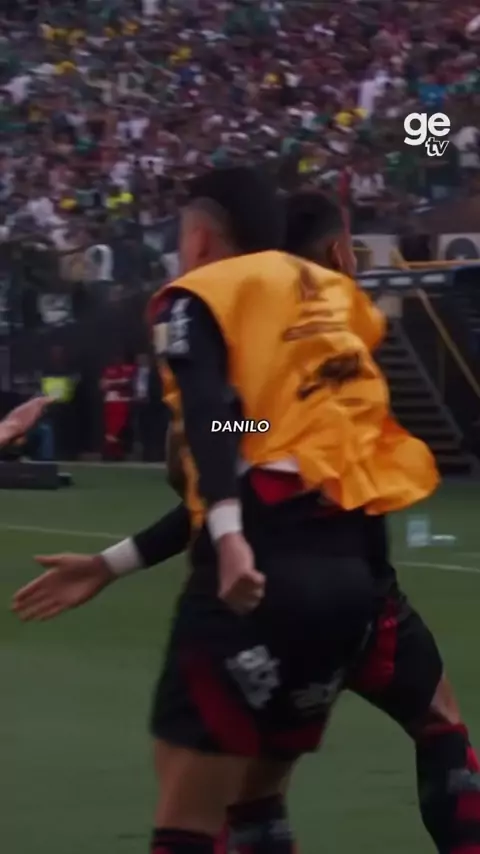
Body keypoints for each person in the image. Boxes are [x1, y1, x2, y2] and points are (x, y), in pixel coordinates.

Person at [12, 182, 469, 854]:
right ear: (338, 251)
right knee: (434, 729)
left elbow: (221, 440)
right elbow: (252, 444)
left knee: (212, 804)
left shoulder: (223, 314)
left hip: (258, 586)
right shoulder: (337, 326)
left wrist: (220, 483)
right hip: (365, 594)